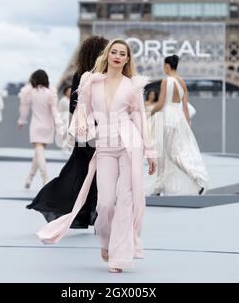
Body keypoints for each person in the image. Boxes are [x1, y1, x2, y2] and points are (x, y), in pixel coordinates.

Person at [36, 39, 157, 273]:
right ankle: (106, 240)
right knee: (105, 203)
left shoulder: (132, 86)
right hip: (104, 146)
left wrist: (150, 152)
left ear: (127, 59)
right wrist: (82, 126)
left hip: (129, 145)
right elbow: (82, 109)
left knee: (125, 202)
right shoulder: (91, 81)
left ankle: (120, 256)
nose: (118, 56)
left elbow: (140, 118)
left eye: (123, 53)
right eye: (114, 51)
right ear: (107, 55)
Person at [26, 36, 108, 229]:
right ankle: (96, 214)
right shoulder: (106, 75)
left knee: (77, 172)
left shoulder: (80, 74)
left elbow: (73, 106)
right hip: (102, 130)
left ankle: (72, 208)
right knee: (100, 173)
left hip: (85, 133)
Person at [148, 54, 209, 196]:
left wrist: (150, 113)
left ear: (167, 66)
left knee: (172, 154)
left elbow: (161, 103)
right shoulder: (182, 82)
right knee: (166, 152)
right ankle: (159, 187)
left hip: (167, 118)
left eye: (164, 66)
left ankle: (197, 177)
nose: (163, 69)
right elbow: (185, 108)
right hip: (179, 119)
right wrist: (187, 124)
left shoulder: (166, 81)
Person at [18, 70, 63, 188]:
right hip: (48, 127)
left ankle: (45, 179)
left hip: (36, 126)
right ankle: (29, 179)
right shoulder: (50, 93)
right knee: (39, 154)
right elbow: (55, 112)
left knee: (39, 153)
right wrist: (59, 127)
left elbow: (24, 109)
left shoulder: (29, 93)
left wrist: (21, 122)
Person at [57, 86, 72, 152]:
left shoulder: (73, 100)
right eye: (68, 91)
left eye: (71, 91)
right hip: (65, 119)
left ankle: (70, 149)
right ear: (65, 92)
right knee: (65, 134)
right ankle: (64, 148)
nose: (69, 92)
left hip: (72, 119)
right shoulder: (63, 100)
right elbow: (59, 111)